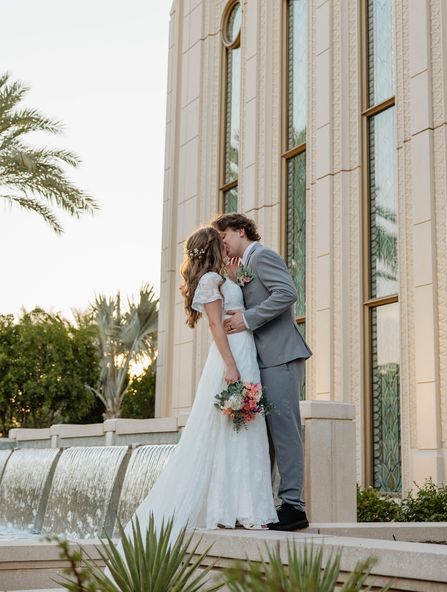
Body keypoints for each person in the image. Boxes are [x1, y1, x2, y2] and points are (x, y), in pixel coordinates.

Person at [120, 226, 277, 541]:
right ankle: (237, 510)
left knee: (246, 427)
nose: (225, 242)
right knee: (235, 428)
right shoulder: (208, 281)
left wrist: (234, 278)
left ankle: (245, 508)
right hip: (232, 356)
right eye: (220, 241)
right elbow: (216, 326)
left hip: (245, 351)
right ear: (212, 247)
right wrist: (231, 366)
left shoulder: (222, 278)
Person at [212, 213, 312, 531]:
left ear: (241, 231)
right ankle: (263, 505)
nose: (222, 242)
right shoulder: (242, 264)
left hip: (281, 357)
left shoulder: (263, 255)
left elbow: (287, 293)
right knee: (265, 436)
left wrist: (247, 319)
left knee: (285, 433)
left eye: (224, 235)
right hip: (263, 361)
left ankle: (293, 507)